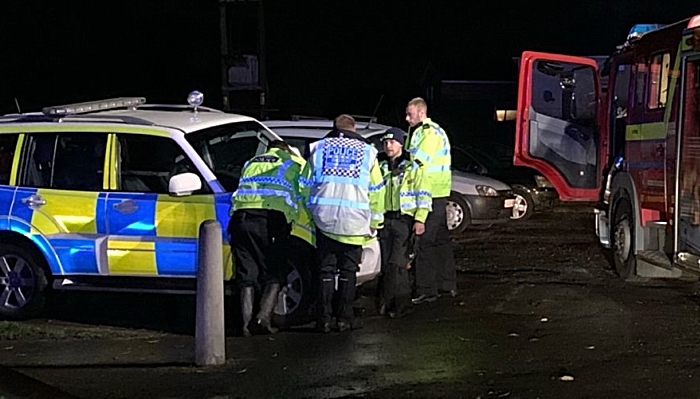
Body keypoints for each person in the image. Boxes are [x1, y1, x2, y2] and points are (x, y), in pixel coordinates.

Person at [300, 114, 385, 333]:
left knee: (325, 271)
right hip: (354, 222)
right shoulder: (367, 153)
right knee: (348, 271)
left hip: (325, 220)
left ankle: (324, 320)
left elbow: (304, 184)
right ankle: (344, 319)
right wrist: (376, 221)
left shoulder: (319, 149)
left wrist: (312, 211)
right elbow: (377, 191)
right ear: (354, 129)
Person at [228, 140, 301, 336]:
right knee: (276, 269)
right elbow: (302, 193)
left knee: (246, 272)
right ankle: (263, 318)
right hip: (271, 221)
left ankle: (245, 325)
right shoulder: (292, 163)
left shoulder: (250, 162)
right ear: (286, 150)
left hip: (241, 219)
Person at [404, 97, 457, 304]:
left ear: (421, 113)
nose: (407, 118)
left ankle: (427, 289)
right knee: (440, 241)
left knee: (424, 241)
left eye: (410, 114)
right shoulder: (434, 131)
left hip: (429, 193)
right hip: (438, 191)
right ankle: (447, 284)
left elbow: (417, 163)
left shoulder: (427, 133)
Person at [377, 127, 431, 318]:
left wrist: (420, 219)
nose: (388, 146)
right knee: (386, 264)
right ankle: (391, 304)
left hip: (404, 219)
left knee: (397, 263)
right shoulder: (381, 167)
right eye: (385, 142)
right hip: (385, 219)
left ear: (401, 144)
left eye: (392, 142)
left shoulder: (413, 167)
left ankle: (397, 305)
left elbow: (424, 195)